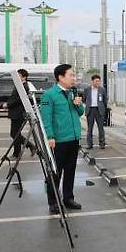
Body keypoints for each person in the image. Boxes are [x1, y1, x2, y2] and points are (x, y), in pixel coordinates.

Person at [40, 64, 85, 214]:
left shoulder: (72, 93)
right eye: (71, 75)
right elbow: (45, 118)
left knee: (70, 170)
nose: (74, 78)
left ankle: (68, 198)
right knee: (55, 172)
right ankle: (53, 202)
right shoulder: (49, 95)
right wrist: (50, 136)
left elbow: (79, 112)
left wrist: (78, 104)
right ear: (60, 77)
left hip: (73, 138)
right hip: (58, 140)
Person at [3, 68, 36, 159]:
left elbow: (19, 100)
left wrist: (8, 104)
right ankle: (29, 147)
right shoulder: (19, 85)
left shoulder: (24, 86)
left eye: (19, 75)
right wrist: (8, 105)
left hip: (19, 113)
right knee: (15, 133)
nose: (16, 77)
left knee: (15, 134)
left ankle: (18, 153)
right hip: (15, 112)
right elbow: (13, 97)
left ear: (24, 77)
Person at [84, 74, 107, 150]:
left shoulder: (102, 89)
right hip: (90, 110)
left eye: (99, 81)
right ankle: (89, 144)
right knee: (90, 128)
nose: (98, 82)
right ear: (92, 81)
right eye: (96, 81)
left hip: (99, 110)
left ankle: (102, 143)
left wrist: (103, 109)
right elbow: (84, 98)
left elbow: (105, 100)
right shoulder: (87, 89)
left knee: (101, 128)